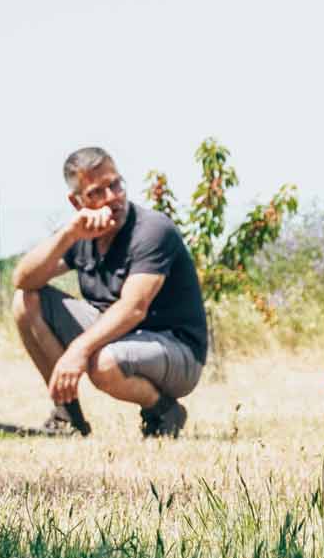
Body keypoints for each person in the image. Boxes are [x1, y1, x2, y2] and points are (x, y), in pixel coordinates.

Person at [11, 146, 208, 437]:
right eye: (96, 193)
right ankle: (68, 418)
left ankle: (165, 410)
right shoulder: (83, 232)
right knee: (25, 301)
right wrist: (68, 235)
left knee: (102, 363)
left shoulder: (152, 230)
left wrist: (77, 351)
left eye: (115, 185)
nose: (111, 198)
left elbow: (134, 308)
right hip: (121, 338)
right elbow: (23, 279)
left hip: (177, 350)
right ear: (76, 201)